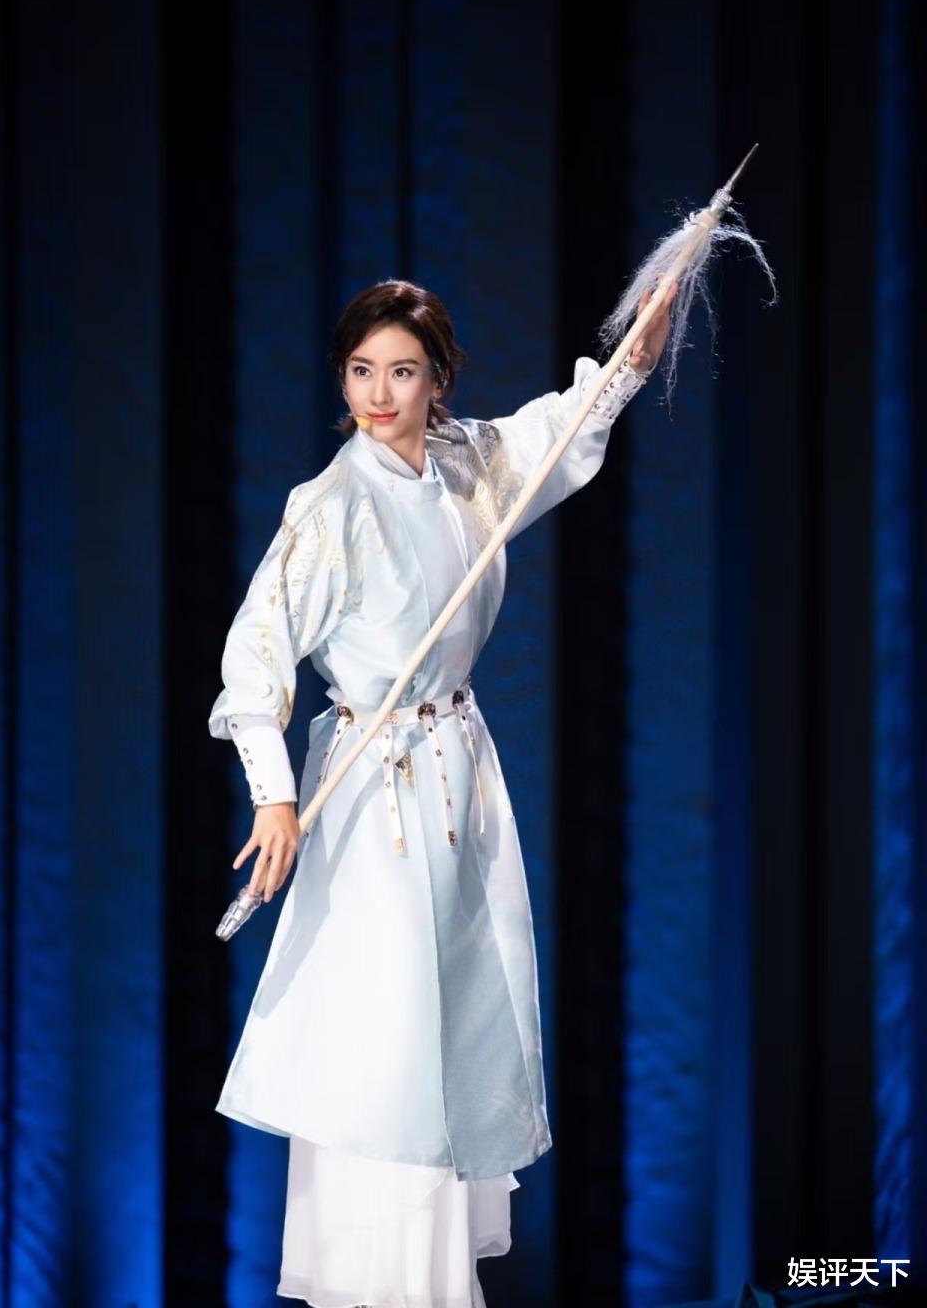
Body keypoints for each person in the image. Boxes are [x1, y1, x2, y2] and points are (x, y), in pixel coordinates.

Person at [208, 278, 675, 1306]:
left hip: (458, 775)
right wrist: (273, 795)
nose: (380, 394)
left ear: (439, 379)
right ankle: (381, 1280)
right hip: (374, 796)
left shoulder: (466, 465)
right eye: (362, 371)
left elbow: (554, 435)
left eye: (403, 372)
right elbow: (256, 653)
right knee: (387, 1034)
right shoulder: (331, 508)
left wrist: (632, 360)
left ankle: (438, 1275)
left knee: (459, 1014)